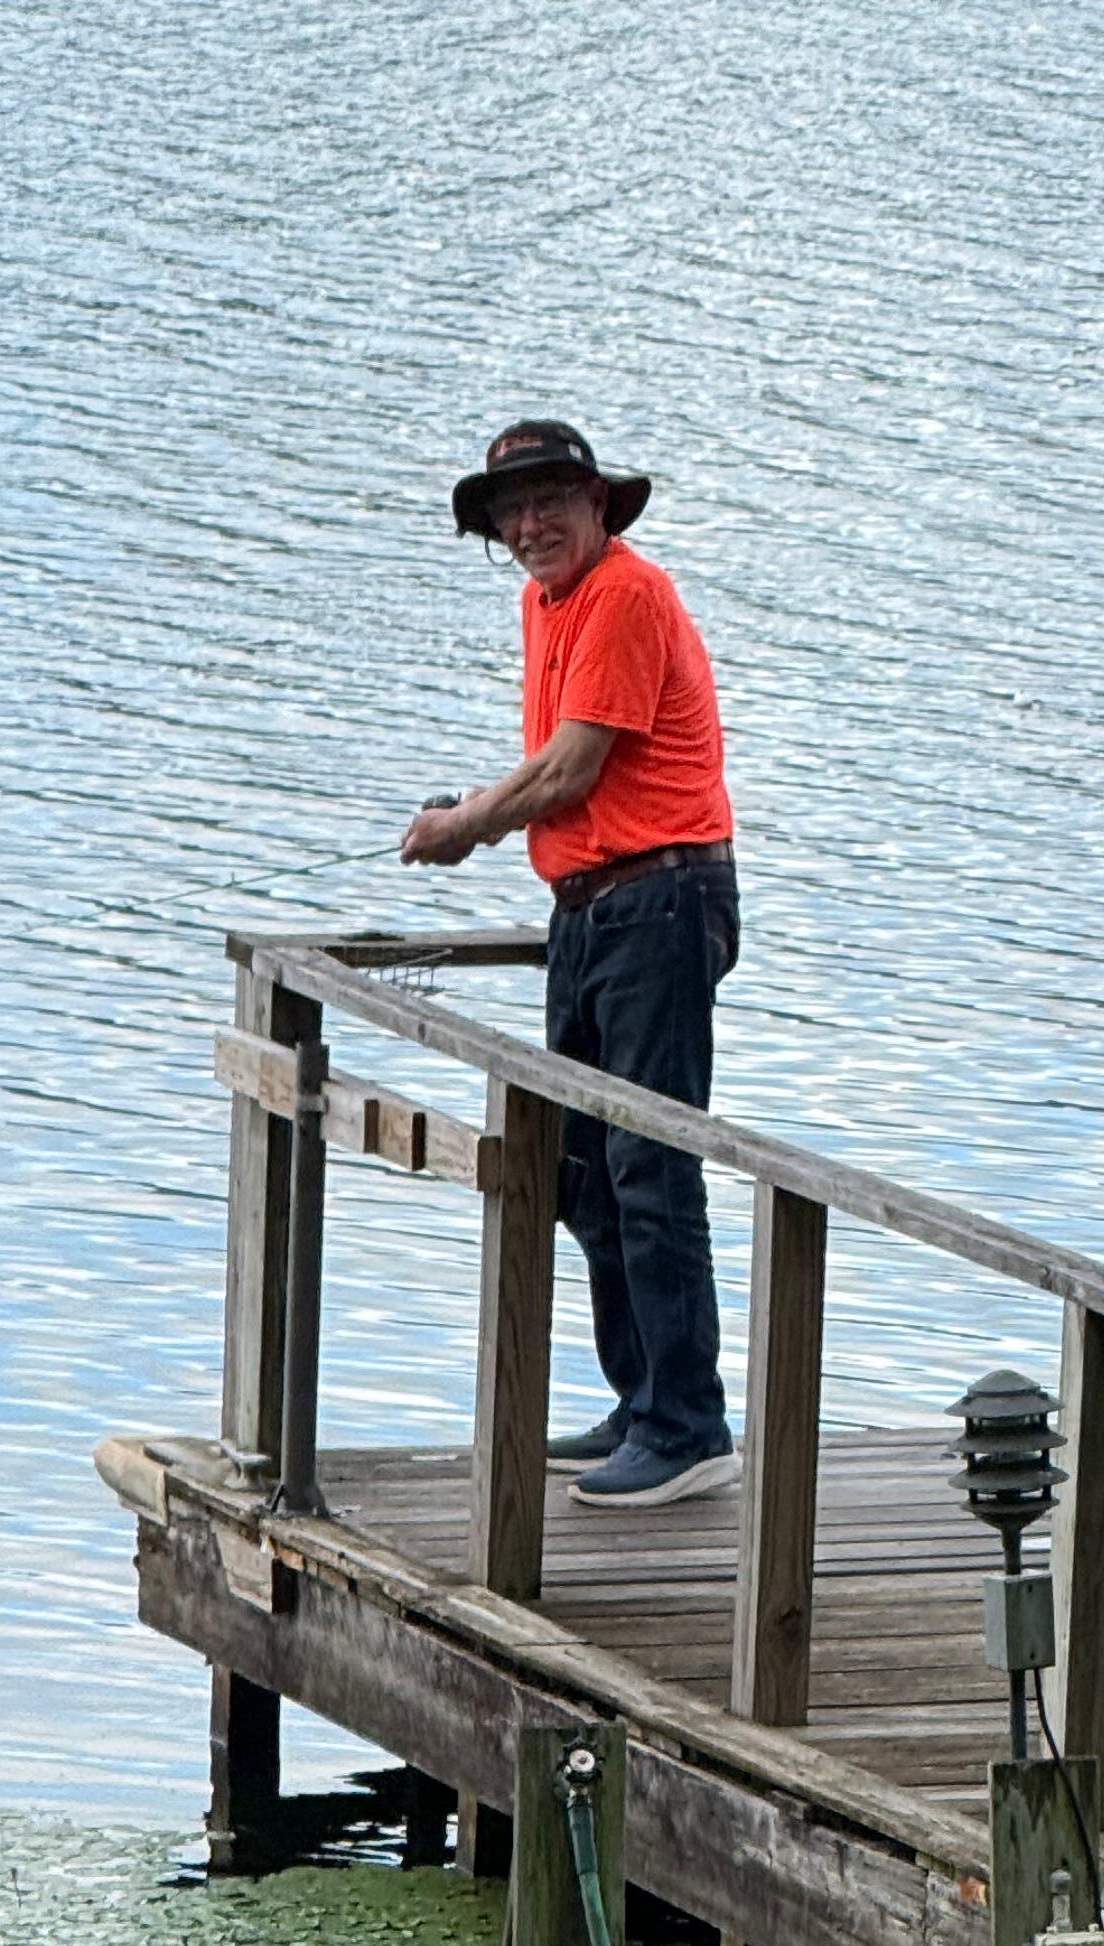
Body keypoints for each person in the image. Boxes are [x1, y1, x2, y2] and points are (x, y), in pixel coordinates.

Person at [399, 421, 742, 1507]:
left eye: (552, 500)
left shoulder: (628, 595)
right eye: (512, 510)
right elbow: (555, 772)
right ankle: (643, 1399)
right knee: (581, 1169)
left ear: (600, 505)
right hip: (590, 909)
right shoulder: (543, 602)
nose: (531, 525)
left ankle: (690, 1425)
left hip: (663, 899)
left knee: (649, 1161)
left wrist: (467, 824)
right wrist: (490, 814)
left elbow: (570, 771)